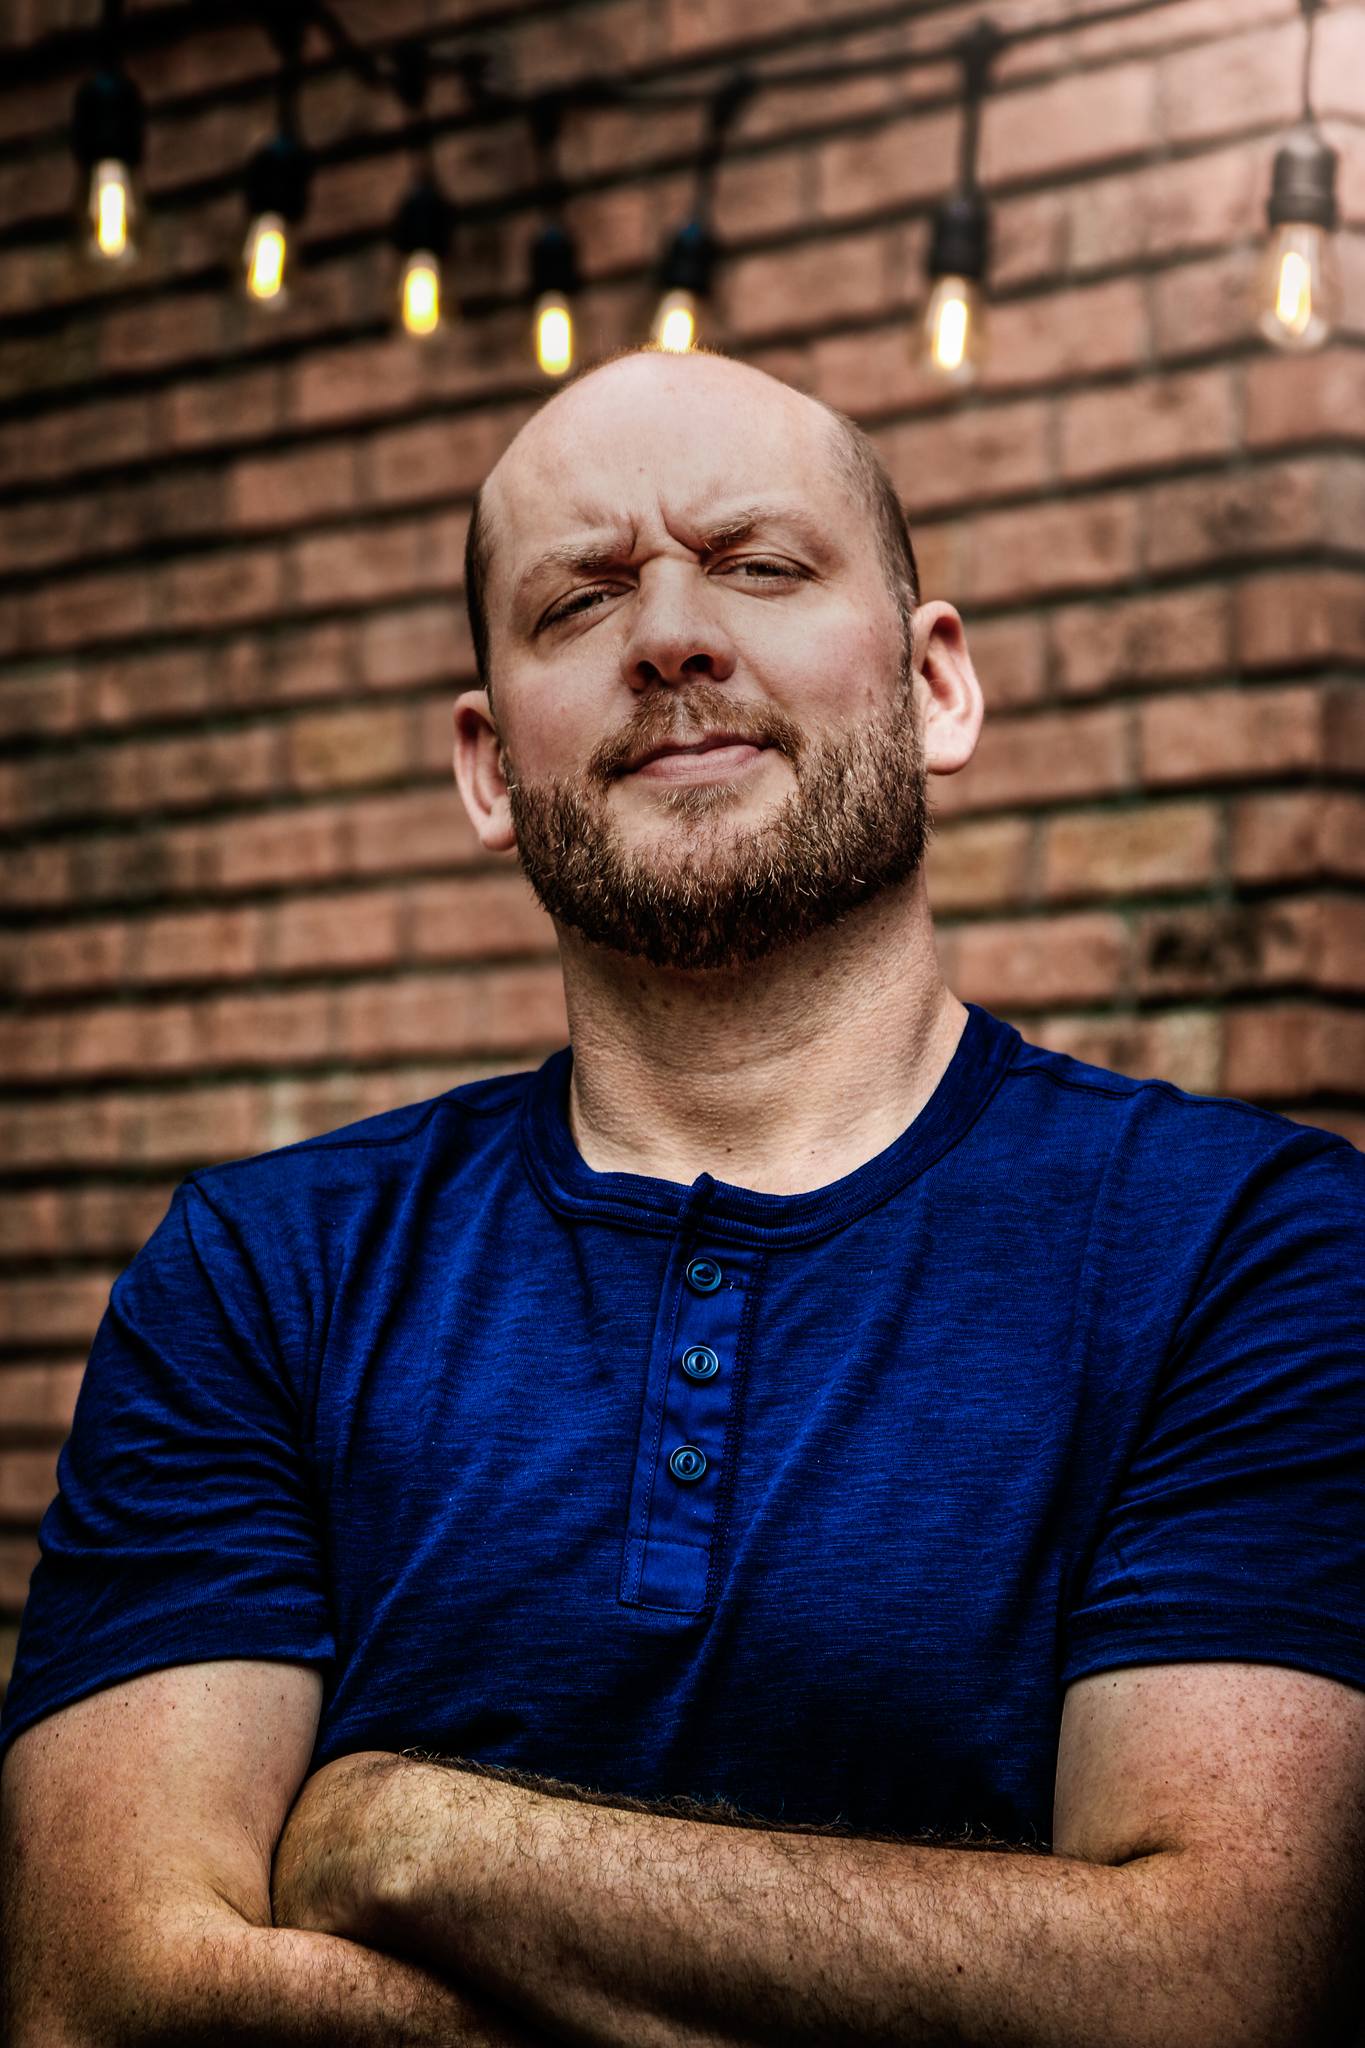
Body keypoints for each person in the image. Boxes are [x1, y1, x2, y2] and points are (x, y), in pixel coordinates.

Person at [2, 344, 1363, 2048]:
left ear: (935, 687)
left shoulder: (1245, 1249)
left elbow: (1206, 1998)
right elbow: (103, 2001)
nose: (667, 635)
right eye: (580, 601)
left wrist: (415, 1840)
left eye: (757, 566)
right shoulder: (260, 1279)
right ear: (491, 768)